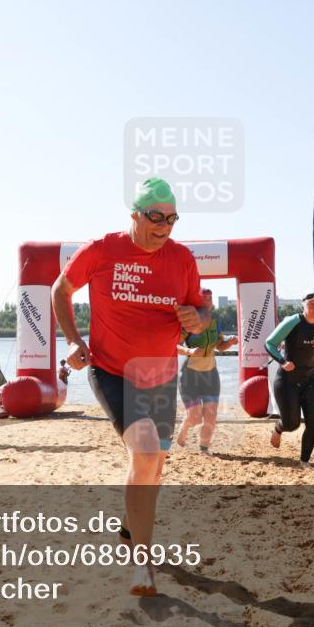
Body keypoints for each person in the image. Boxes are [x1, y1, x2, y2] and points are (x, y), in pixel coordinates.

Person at [51, 176, 208, 596]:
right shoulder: (104, 250)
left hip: (160, 375)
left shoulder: (183, 259)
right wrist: (72, 339)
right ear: (135, 214)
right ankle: (142, 563)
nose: (165, 227)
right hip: (112, 370)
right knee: (145, 451)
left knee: (154, 467)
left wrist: (199, 318)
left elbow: (202, 309)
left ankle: (128, 530)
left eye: (172, 219)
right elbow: (60, 289)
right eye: (156, 217)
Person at [265, 291, 314, 468]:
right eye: (311, 304)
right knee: (292, 425)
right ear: (304, 305)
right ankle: (279, 427)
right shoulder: (293, 321)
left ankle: (304, 461)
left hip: (311, 378)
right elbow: (269, 343)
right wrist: (283, 362)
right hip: (287, 379)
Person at [175, 288, 236, 455]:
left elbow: (220, 346)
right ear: (199, 301)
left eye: (210, 298)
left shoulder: (215, 321)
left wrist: (229, 343)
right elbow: (173, 345)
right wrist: (189, 351)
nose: (208, 301)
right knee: (195, 417)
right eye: (204, 298)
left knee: (211, 415)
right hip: (190, 374)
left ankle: (204, 449)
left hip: (210, 373)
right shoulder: (190, 322)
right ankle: (185, 427)